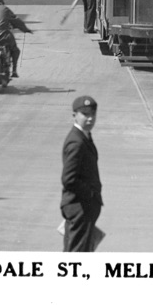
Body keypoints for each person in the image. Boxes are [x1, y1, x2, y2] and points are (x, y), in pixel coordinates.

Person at [60, 95, 104, 252]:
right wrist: (91, 193)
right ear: (74, 116)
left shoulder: (85, 136)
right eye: (85, 114)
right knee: (76, 254)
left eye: (93, 114)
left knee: (82, 250)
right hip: (79, 207)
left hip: (84, 208)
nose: (90, 118)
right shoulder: (76, 142)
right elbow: (68, 179)